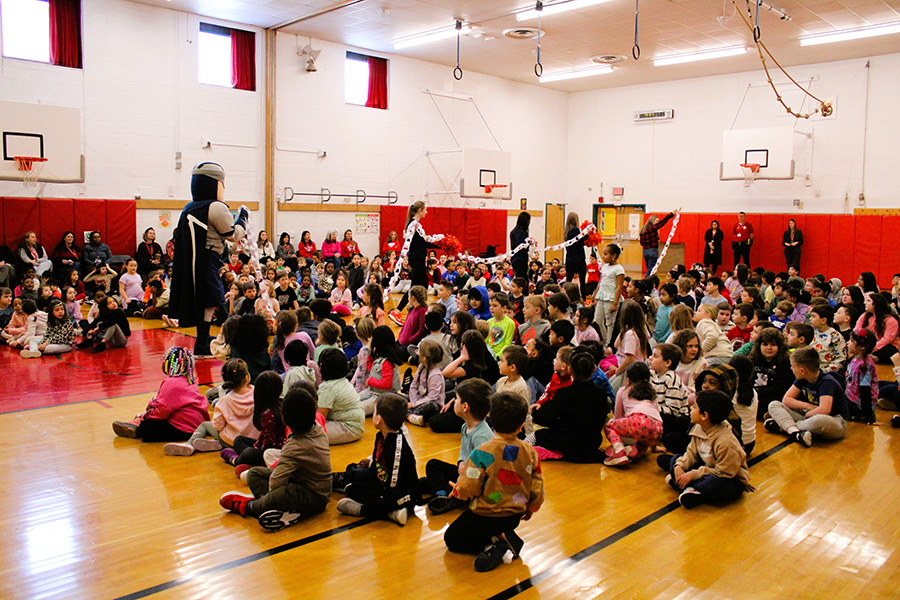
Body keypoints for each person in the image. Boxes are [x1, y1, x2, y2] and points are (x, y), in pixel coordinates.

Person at [444, 391, 544, 572]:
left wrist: (457, 492)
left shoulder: (483, 451)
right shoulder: (529, 451)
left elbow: (469, 485)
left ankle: (496, 543)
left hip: (485, 514)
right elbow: (537, 484)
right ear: (521, 425)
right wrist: (532, 507)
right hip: (514, 516)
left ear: (491, 418)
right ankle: (501, 539)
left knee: (452, 538)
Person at [218, 385, 331, 532]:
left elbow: (276, 482)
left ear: (285, 419)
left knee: (281, 493)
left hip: (315, 497)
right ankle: (275, 508)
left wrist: (273, 496)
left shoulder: (296, 446)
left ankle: (251, 507)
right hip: (300, 481)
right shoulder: (315, 427)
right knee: (254, 473)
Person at [169, 163, 249, 357]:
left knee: (204, 299)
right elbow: (232, 234)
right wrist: (243, 217)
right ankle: (202, 343)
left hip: (194, 259)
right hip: (206, 259)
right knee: (207, 299)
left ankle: (202, 340)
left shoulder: (189, 208)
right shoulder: (215, 207)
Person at [333, 394, 420, 526]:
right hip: (383, 486)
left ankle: (363, 510)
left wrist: (378, 495)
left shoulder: (398, 446)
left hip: (403, 491)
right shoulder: (381, 437)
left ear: (378, 420)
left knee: (388, 500)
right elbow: (376, 470)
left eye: (374, 412)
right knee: (351, 488)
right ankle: (391, 512)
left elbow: (393, 483)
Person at [664, 389, 752, 509]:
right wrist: (680, 466)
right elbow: (691, 453)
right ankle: (691, 488)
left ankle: (685, 485)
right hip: (706, 469)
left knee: (713, 484)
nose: (690, 408)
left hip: (728, 479)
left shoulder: (726, 442)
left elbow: (724, 473)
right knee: (675, 459)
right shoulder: (699, 427)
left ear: (704, 416)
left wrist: (693, 474)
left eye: (694, 407)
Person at [423, 378, 493, 514]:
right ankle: (442, 494)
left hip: (476, 481)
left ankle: (453, 497)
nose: (454, 401)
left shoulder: (482, 436)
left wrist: (464, 477)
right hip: (465, 472)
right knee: (432, 465)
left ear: (465, 407)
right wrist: (461, 462)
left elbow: (483, 472)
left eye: (456, 399)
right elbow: (464, 450)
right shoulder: (464, 426)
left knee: (430, 481)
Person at [112, 347, 209, 442]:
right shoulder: (189, 380)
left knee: (146, 427)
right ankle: (136, 424)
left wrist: (144, 417)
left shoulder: (171, 382)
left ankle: (137, 427)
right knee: (151, 414)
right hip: (198, 426)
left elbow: (161, 411)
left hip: (185, 429)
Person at [164, 358, 258, 455]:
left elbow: (217, 425)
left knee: (205, 425)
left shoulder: (224, 401)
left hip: (230, 441)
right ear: (247, 377)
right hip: (253, 440)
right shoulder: (257, 394)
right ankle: (216, 443)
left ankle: (190, 444)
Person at [764, 346, 849, 447]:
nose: (791, 369)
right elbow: (786, 399)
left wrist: (808, 415)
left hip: (834, 421)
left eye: (792, 366)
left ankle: (784, 426)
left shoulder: (826, 381)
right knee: (774, 404)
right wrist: (808, 406)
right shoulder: (802, 378)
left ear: (802, 370)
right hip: (809, 415)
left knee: (819, 420)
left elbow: (825, 410)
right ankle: (796, 432)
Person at [221, 371, 287, 471]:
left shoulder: (267, 413)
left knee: (249, 453)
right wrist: (257, 444)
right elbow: (264, 434)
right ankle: (251, 462)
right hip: (274, 447)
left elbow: (270, 443)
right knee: (239, 440)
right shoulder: (280, 404)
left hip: (272, 451)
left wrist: (258, 448)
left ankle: (236, 460)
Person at [604, 362, 663, 466]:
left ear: (627, 380)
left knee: (609, 425)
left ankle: (619, 451)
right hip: (658, 429)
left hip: (638, 422)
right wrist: (654, 447)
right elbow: (656, 415)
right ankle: (635, 451)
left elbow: (618, 416)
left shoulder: (623, 390)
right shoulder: (652, 393)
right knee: (642, 443)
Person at [316, 347, 365, 445]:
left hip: (348, 427)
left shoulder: (328, 388)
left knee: (310, 434)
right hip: (355, 425)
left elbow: (319, 418)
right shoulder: (342, 381)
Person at [405, 340, 447, 426]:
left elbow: (432, 397)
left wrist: (413, 404)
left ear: (424, 357)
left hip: (430, 404)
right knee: (396, 398)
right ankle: (410, 414)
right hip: (418, 400)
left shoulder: (435, 375)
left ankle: (408, 415)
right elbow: (413, 386)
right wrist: (413, 401)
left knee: (430, 406)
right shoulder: (421, 367)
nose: (417, 353)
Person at [593, 243, 625, 347]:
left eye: (606, 254)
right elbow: (600, 282)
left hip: (611, 298)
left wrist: (615, 303)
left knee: (610, 323)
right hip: (602, 296)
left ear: (614, 256)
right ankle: (604, 339)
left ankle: (608, 344)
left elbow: (619, 286)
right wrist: (595, 295)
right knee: (597, 320)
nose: (603, 256)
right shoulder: (604, 267)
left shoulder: (619, 269)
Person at [853, 291, 899, 363]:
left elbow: (887, 340)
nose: (865, 303)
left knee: (890, 351)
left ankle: (875, 358)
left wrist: (870, 349)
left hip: (881, 347)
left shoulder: (890, 320)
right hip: (867, 345)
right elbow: (856, 330)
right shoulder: (865, 315)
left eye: (868, 301)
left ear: (876, 304)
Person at [844, 330, 878, 424]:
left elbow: (865, 391)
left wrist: (869, 418)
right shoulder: (854, 359)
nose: (848, 343)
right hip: (850, 396)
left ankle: (858, 415)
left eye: (851, 341)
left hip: (859, 404)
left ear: (862, 347)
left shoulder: (865, 365)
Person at [640, 212, 675, 277]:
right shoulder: (652, 229)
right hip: (652, 250)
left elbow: (641, 243)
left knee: (649, 268)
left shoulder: (643, 230)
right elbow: (662, 223)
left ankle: (649, 281)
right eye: (656, 221)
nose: (657, 222)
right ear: (652, 221)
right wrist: (671, 214)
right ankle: (645, 282)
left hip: (645, 251)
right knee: (651, 269)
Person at [563, 212, 587, 295]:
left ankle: (566, 295)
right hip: (579, 258)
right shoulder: (575, 230)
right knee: (582, 280)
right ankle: (583, 297)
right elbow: (580, 243)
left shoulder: (566, 231)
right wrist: (588, 235)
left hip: (569, 258)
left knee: (568, 279)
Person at [509, 211, 532, 281]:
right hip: (520, 259)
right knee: (522, 280)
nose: (530, 222)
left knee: (520, 278)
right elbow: (520, 246)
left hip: (515, 258)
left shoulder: (514, 231)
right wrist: (528, 244)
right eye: (529, 220)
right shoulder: (521, 232)